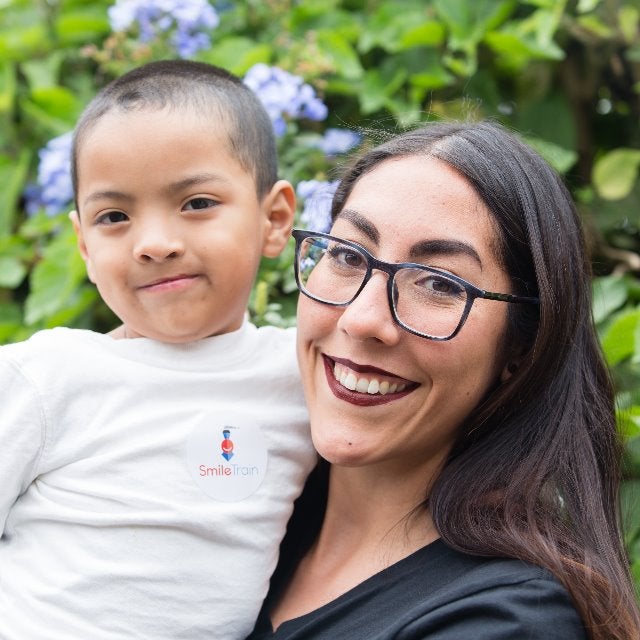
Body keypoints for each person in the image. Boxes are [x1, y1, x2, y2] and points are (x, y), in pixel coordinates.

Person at [247, 121, 640, 640]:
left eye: (438, 283)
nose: (362, 319)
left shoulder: (505, 622)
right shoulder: (240, 519)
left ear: (521, 347)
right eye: (346, 254)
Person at [0, 60, 316, 639]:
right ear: (84, 246)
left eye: (196, 203)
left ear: (274, 221)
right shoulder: (45, 378)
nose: (155, 244)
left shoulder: (302, 372)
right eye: (114, 217)